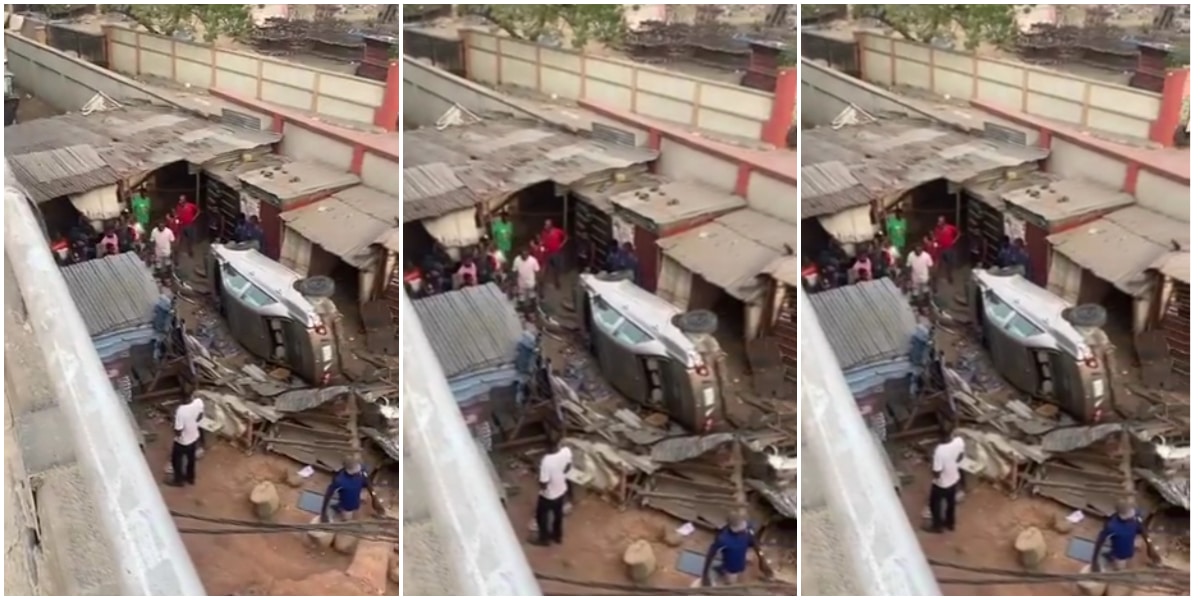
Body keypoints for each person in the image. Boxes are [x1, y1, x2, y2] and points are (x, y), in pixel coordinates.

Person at [701, 509, 774, 586]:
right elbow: (710, 555)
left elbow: (754, 542)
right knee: (731, 583)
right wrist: (705, 575)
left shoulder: (747, 529)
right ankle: (724, 572)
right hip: (731, 568)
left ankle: (724, 569)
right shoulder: (723, 539)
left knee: (741, 564)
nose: (744, 529)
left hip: (741, 560)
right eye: (742, 528)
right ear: (733, 528)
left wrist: (762, 559)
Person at [1092, 497, 1160, 572]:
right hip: (1120, 555)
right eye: (1131, 515)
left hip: (1130, 546)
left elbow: (1142, 529)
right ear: (1122, 516)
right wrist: (1094, 561)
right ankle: (1113, 559)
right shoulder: (1112, 527)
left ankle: (1113, 555)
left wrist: (1150, 545)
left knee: (1132, 547)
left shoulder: (1135, 516)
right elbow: (1099, 541)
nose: (1133, 516)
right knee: (1120, 570)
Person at [534, 435, 573, 545]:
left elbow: (543, 483)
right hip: (561, 490)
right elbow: (568, 466)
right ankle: (557, 537)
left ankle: (544, 539)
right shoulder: (566, 451)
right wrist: (560, 475)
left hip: (549, 495)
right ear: (558, 444)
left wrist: (543, 488)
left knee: (541, 516)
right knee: (558, 515)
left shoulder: (546, 461)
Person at [320, 456, 383, 523]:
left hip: (356, 498)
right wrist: (323, 513)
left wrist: (374, 498)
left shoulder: (361, 471)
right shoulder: (339, 481)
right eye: (357, 471)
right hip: (347, 506)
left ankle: (343, 507)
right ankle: (340, 508)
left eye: (359, 469)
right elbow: (328, 495)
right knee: (347, 520)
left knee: (358, 499)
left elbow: (367, 482)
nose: (359, 472)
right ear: (349, 471)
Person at [926, 428, 965, 533]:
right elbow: (961, 456)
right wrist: (954, 465)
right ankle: (950, 524)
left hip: (942, 483)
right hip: (954, 478)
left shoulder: (940, 451)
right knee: (950, 503)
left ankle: (937, 526)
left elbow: (937, 472)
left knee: (934, 504)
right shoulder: (959, 441)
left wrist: (932, 470)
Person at [167, 395, 204, 487]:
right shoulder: (198, 402)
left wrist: (177, 435)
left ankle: (178, 480)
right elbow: (200, 416)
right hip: (194, 437)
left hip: (183, 441)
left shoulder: (181, 411)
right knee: (191, 460)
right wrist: (194, 423)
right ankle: (190, 478)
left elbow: (178, 429)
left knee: (176, 460)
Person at [540, 219, 567, 288]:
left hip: (556, 253)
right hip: (547, 253)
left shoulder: (557, 231)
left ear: (550, 225)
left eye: (547, 224)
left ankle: (557, 281)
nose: (545, 226)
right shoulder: (544, 233)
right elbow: (543, 241)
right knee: (545, 268)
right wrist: (542, 246)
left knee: (556, 268)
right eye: (545, 224)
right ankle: (541, 282)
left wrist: (561, 244)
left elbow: (566, 237)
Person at [934, 215, 959, 282]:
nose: (938, 222)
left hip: (949, 249)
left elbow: (958, 233)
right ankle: (935, 278)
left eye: (940, 221)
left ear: (944, 222)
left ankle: (949, 276)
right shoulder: (937, 229)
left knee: (950, 263)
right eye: (938, 221)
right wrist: (936, 244)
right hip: (941, 249)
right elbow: (936, 238)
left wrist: (954, 240)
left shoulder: (950, 228)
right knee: (939, 264)